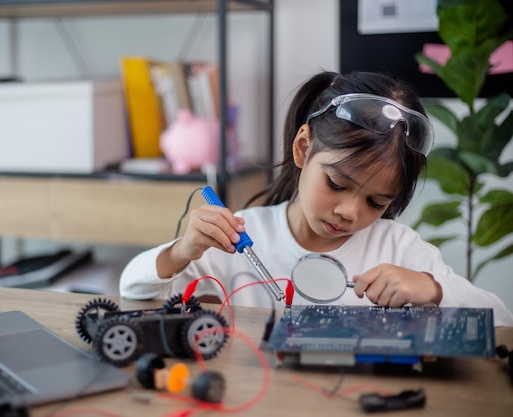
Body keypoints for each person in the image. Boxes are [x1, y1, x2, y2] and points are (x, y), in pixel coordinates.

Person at [119, 70, 513, 327]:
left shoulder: (396, 248)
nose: (350, 212)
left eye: (377, 202)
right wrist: (182, 250)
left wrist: (432, 288)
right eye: (337, 184)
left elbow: (502, 321)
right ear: (304, 148)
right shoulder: (239, 237)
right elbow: (132, 291)